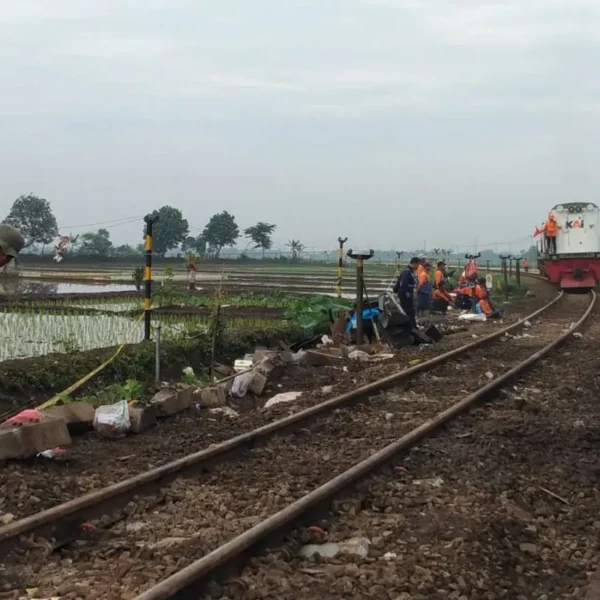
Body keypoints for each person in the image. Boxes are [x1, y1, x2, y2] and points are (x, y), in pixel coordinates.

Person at [394, 256, 419, 329]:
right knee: (409, 312)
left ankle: (412, 327)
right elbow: (403, 284)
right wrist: (407, 295)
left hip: (406, 295)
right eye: (418, 264)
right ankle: (411, 328)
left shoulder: (410, 271)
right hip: (405, 296)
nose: (418, 267)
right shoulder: (407, 271)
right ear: (414, 263)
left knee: (409, 312)